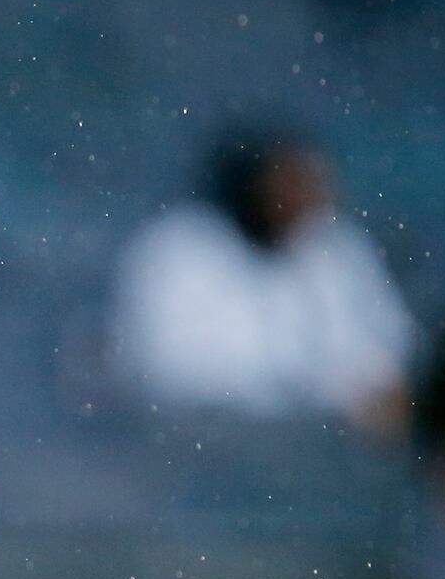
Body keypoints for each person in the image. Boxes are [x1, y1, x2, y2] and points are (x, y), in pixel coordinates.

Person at [111, 134, 418, 435]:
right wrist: (327, 391)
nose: (306, 197)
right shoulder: (183, 247)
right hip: (208, 438)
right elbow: (176, 369)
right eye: (288, 184)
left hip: (323, 438)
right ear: (254, 186)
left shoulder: (332, 245)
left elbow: (387, 339)